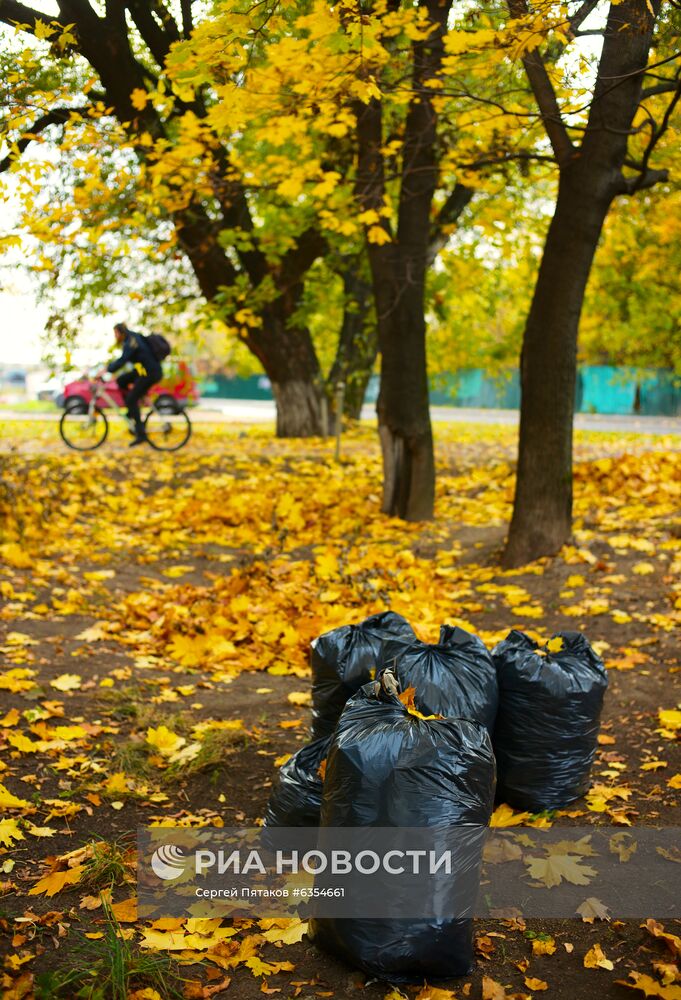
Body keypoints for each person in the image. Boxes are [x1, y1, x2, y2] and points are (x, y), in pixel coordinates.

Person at [98, 323, 163, 446]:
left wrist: (106, 369)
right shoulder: (132, 338)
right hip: (143, 371)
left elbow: (123, 360)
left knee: (131, 400)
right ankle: (131, 411)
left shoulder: (131, 341)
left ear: (121, 332)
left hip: (150, 373)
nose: (115, 336)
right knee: (121, 381)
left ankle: (141, 434)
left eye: (116, 333)